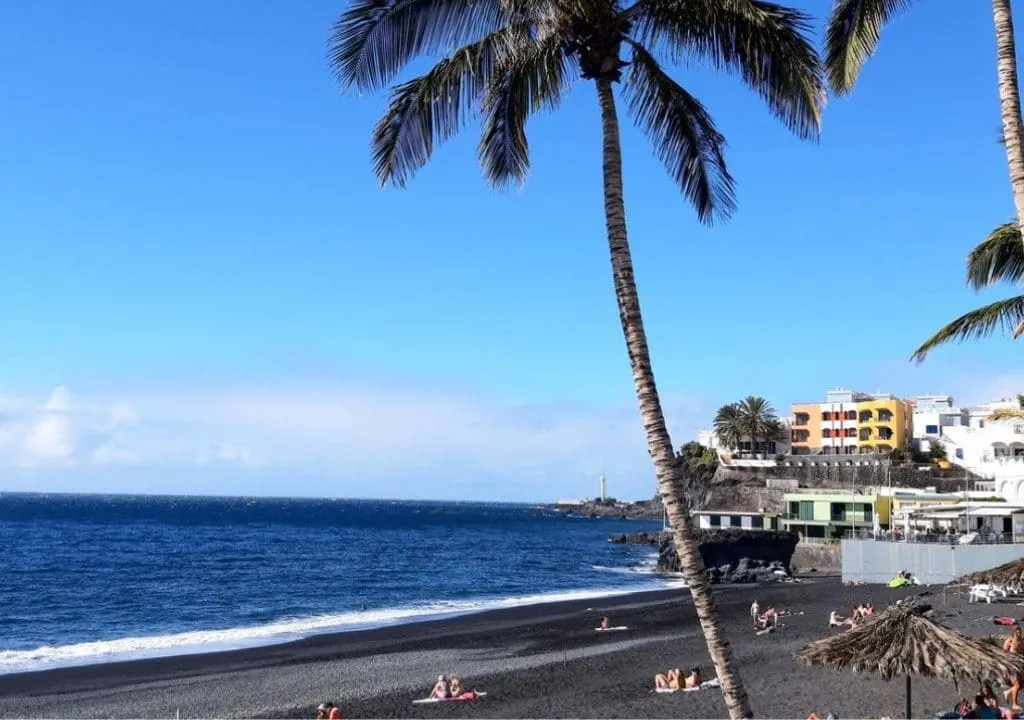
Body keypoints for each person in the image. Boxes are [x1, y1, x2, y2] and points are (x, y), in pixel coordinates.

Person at [1005, 626, 1024, 710]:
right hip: (1012, 665)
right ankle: (1014, 704)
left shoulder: (1022, 641)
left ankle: (1008, 692)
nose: (1019, 633)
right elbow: (1004, 652)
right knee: (1017, 684)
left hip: (1020, 664)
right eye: (1017, 632)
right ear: (1013, 632)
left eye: (1020, 632)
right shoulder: (1010, 640)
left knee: (1022, 684)